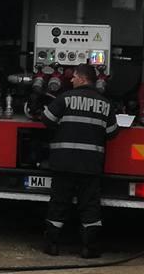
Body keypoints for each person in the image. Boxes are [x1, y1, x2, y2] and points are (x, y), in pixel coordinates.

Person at [33, 60, 118, 258]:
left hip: (64, 163)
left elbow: (46, 120)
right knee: (90, 206)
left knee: (58, 204)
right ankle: (89, 248)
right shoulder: (105, 104)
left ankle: (52, 245)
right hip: (90, 165)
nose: (71, 80)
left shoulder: (65, 98)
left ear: (82, 78)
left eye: (74, 77)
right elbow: (112, 133)